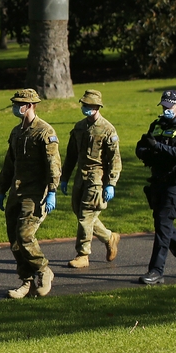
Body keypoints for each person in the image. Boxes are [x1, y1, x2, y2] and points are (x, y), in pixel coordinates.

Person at [0, 89, 61, 299]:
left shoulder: (44, 132)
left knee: (25, 235)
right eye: (15, 103)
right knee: (14, 239)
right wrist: (2, 188)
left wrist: (52, 191)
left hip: (34, 193)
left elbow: (53, 165)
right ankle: (27, 281)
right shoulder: (16, 132)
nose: (16, 107)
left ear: (31, 105)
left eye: (20, 104)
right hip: (16, 191)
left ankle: (43, 270)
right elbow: (10, 162)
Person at [135, 90, 176, 285]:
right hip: (157, 181)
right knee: (163, 225)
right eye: (163, 107)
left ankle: (156, 271)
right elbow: (141, 148)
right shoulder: (157, 125)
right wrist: (151, 151)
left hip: (174, 184)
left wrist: (157, 148)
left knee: (162, 224)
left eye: (169, 107)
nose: (165, 110)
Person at [60, 90, 122, 269]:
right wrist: (64, 177)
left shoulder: (107, 129)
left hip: (97, 178)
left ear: (97, 107)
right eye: (84, 105)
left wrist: (111, 183)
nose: (86, 108)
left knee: (86, 217)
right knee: (79, 212)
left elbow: (114, 159)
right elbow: (71, 155)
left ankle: (83, 254)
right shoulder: (79, 128)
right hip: (81, 176)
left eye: (89, 106)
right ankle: (109, 237)